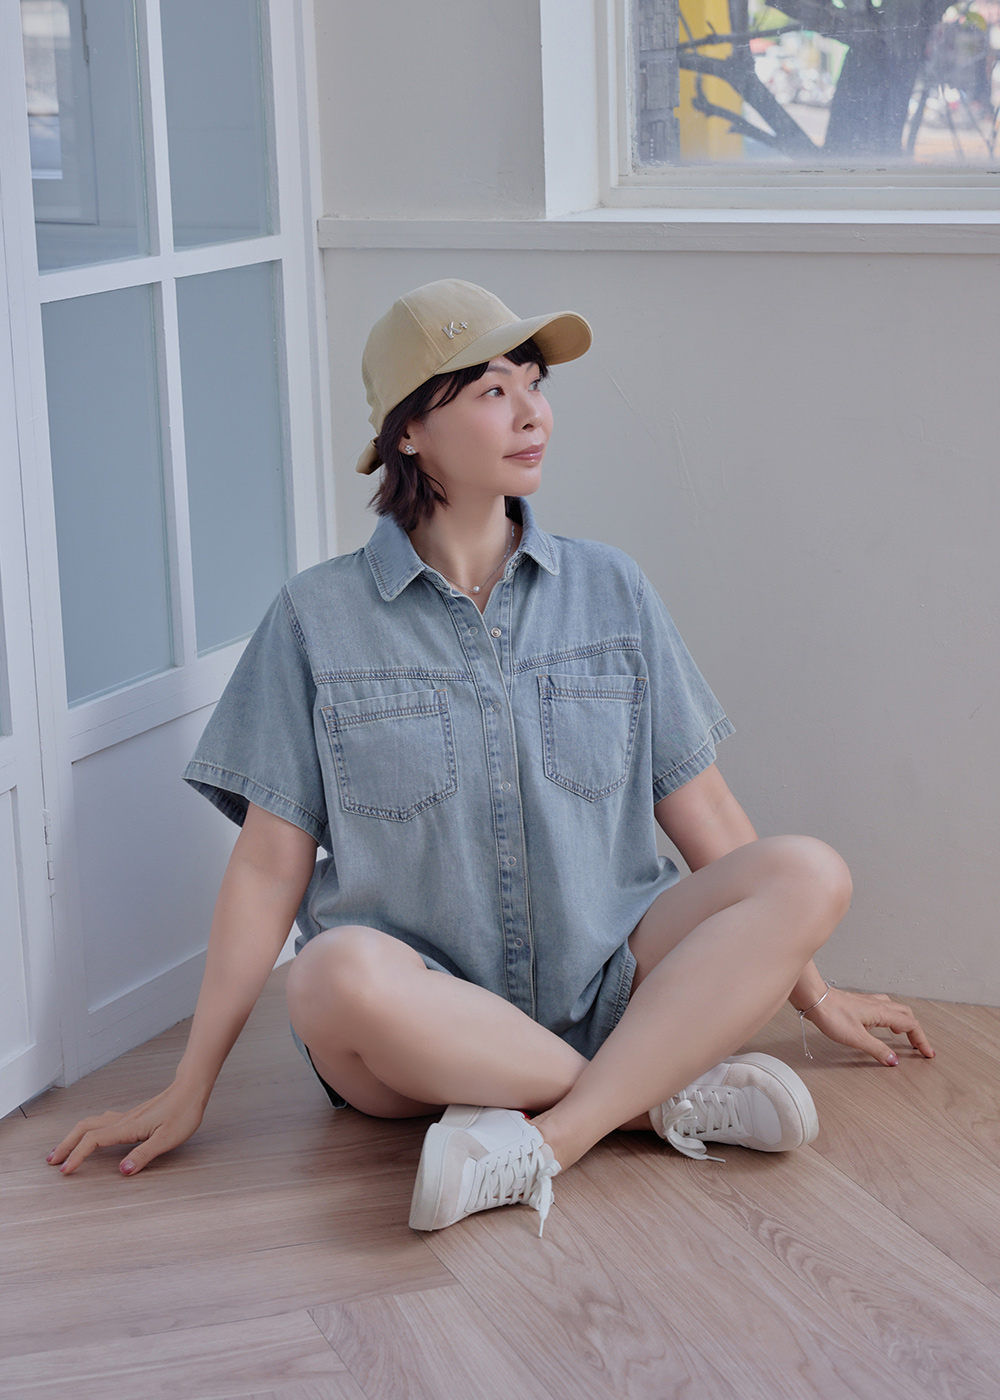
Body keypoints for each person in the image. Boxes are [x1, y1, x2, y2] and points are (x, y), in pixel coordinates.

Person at [48, 279, 934, 1234]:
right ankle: (656, 1094)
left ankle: (552, 1138)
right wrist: (191, 1085)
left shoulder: (611, 589)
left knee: (808, 872)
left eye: (535, 385)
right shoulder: (315, 617)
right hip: (416, 1030)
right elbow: (268, 867)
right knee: (327, 975)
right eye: (491, 391)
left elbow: (706, 812)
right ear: (409, 433)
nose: (532, 414)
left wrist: (815, 991)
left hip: (615, 985)